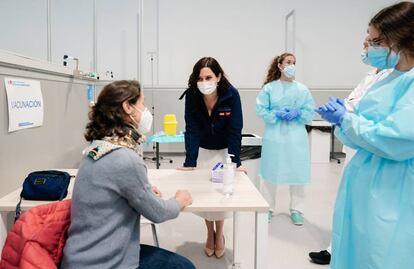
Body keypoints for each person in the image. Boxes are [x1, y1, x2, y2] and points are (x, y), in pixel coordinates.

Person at [316, 2, 414, 268]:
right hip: (367, 182)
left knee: (382, 255)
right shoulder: (388, 77)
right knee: (357, 249)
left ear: (399, 39)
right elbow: (366, 125)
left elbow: (400, 140)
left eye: (375, 41)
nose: (368, 47)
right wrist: (346, 119)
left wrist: (348, 120)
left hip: (393, 189)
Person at [61, 80, 195, 269]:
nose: (146, 110)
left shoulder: (98, 147)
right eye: (142, 103)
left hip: (81, 257)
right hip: (104, 263)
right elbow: (158, 212)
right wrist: (179, 200)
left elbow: (115, 191)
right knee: (184, 267)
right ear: (128, 107)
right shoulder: (124, 158)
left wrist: (142, 193)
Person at [309, 42, 392, 265]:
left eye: (372, 42)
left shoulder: (395, 77)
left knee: (367, 209)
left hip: (371, 147)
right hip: (356, 144)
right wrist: (343, 109)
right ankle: (336, 248)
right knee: (346, 202)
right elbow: (355, 102)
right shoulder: (371, 74)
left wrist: (346, 115)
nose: (365, 47)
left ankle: (347, 250)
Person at [177, 57, 244, 258]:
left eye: (208, 77)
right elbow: (192, 128)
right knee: (205, 195)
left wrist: (235, 161)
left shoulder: (231, 94)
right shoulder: (192, 95)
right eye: (200, 78)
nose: (204, 82)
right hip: (204, 149)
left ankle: (220, 233)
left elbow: (235, 129)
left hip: (225, 152)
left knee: (221, 196)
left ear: (218, 76)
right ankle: (209, 233)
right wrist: (190, 161)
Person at [256, 53, 315, 225]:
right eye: (288, 62)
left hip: (296, 137)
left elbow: (309, 111)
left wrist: (299, 113)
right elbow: (261, 110)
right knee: (270, 172)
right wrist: (276, 113)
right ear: (280, 66)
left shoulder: (302, 90)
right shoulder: (269, 88)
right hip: (275, 136)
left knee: (297, 173)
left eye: (294, 62)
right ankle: (267, 207)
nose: (292, 65)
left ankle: (297, 209)